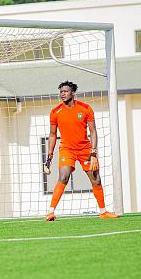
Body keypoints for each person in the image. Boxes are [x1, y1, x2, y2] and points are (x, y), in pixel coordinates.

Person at [43, 80, 119, 221]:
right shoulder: (55, 112)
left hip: (85, 150)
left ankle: (103, 212)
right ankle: (50, 212)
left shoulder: (85, 109)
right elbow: (52, 135)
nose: (62, 94)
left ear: (73, 93)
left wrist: (93, 153)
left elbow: (93, 131)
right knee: (63, 177)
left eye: (65, 91)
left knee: (96, 180)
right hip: (67, 149)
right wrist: (49, 157)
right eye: (61, 92)